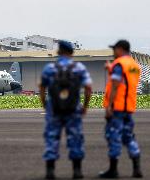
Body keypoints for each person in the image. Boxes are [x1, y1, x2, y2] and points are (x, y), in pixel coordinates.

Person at [39, 40, 92, 179]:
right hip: (73, 108)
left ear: (59, 51)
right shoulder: (79, 67)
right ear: (72, 52)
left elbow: (42, 87)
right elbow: (88, 88)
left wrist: (45, 104)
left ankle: (50, 171)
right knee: (75, 138)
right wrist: (85, 106)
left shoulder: (50, 68)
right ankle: (77, 170)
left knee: (52, 137)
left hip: (54, 108)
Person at [99, 40, 143, 178]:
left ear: (120, 49)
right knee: (129, 136)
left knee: (113, 136)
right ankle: (137, 168)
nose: (113, 52)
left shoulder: (119, 64)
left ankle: (113, 169)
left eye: (114, 49)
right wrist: (110, 69)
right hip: (128, 107)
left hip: (117, 108)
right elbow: (125, 81)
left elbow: (115, 85)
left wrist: (109, 106)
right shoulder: (134, 65)